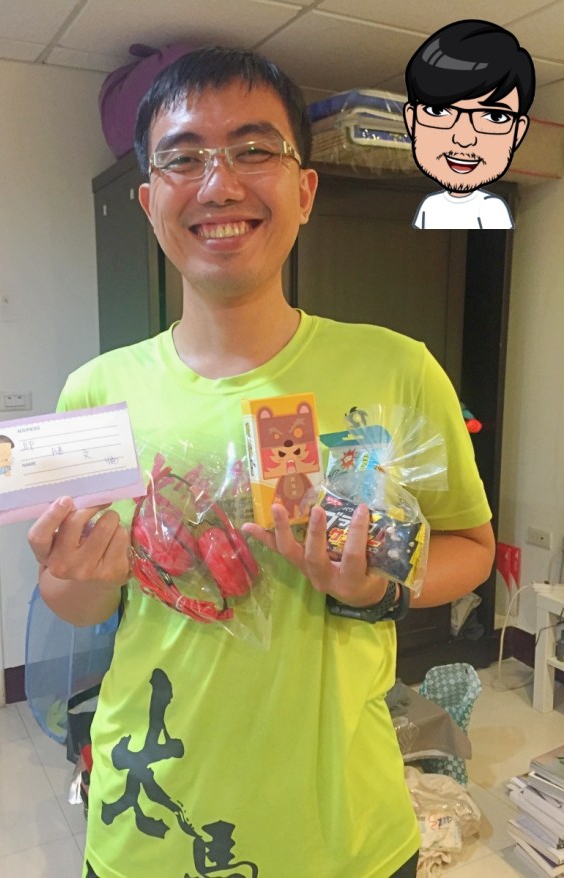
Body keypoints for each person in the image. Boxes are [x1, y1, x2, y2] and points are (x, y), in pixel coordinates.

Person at [28, 47, 495, 878]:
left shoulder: (398, 369)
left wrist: (376, 586)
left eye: (252, 150)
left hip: (344, 831)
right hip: (152, 828)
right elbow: (76, 601)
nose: (218, 185)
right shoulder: (97, 392)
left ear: (304, 191)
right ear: (148, 201)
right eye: (182, 158)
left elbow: (472, 547)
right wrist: (77, 573)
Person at [403, 19, 535, 229]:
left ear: (518, 133)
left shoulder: (491, 208)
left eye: (495, 116)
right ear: (411, 121)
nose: (464, 139)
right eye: (438, 111)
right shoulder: (430, 204)